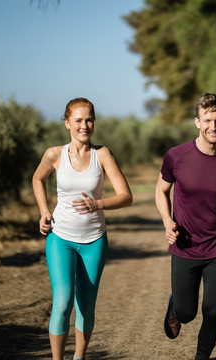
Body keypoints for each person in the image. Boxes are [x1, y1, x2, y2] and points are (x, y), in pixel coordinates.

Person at [32, 97, 133, 360]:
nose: (84, 125)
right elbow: (37, 178)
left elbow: (126, 196)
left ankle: (79, 357)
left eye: (89, 120)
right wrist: (44, 210)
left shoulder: (103, 155)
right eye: (78, 120)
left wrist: (98, 204)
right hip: (60, 238)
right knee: (63, 301)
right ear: (67, 123)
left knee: (86, 305)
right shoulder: (54, 154)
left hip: (94, 240)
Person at [155, 93, 216, 360]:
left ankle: (202, 357)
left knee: (213, 309)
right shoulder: (177, 156)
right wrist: (167, 221)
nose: (213, 126)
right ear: (197, 122)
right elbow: (161, 191)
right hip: (185, 246)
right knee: (187, 313)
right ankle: (175, 308)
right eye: (208, 120)